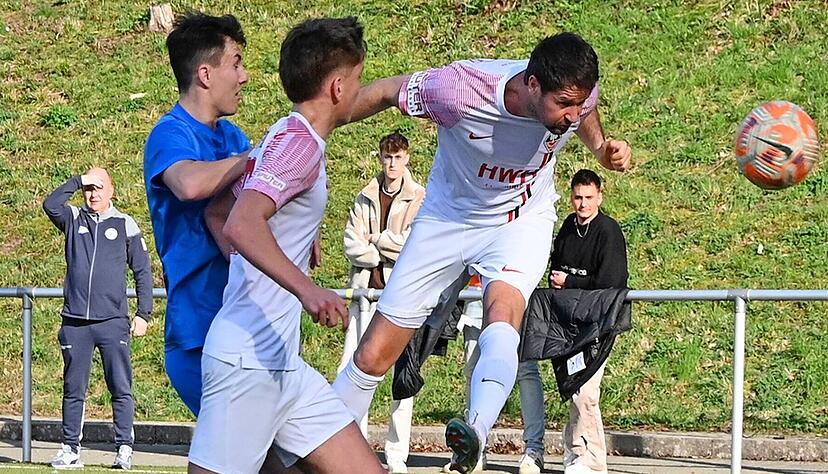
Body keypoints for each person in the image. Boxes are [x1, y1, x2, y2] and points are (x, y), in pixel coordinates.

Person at [330, 32, 632, 473]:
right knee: (374, 353)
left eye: (579, 105)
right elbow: (385, 92)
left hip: (520, 219)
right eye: (563, 104)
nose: (572, 116)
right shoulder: (458, 90)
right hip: (446, 220)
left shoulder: (577, 99)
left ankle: (476, 430)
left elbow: (586, 112)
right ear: (532, 84)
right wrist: (317, 123)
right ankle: (318, 448)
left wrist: (601, 147)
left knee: (503, 313)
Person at [188, 17, 385, 474]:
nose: (359, 92)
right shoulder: (297, 145)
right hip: (246, 365)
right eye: (357, 82)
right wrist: (306, 288)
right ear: (338, 87)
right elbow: (240, 224)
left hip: (282, 366)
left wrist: (279, 249)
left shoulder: (283, 137)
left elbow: (218, 213)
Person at [143, 11, 251, 415]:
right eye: (236, 63)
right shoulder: (170, 133)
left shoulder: (233, 137)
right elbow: (188, 185)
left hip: (244, 326)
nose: (244, 77)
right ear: (205, 74)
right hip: (198, 335)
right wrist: (252, 161)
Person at [43, 168, 153, 470]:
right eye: (89, 189)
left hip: (112, 322)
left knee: (120, 386)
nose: (93, 194)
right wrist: (78, 180)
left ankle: (124, 449)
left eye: (99, 187)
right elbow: (50, 205)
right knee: (73, 389)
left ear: (111, 191)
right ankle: (70, 449)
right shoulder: (73, 219)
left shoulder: (125, 223)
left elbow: (142, 271)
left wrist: (144, 313)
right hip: (75, 322)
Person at [339, 132, 425, 473]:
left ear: (407, 159)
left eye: (398, 158)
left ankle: (396, 455)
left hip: (401, 296)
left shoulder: (419, 197)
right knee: (351, 368)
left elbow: (414, 244)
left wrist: (379, 240)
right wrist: (382, 246)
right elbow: (351, 243)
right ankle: (353, 445)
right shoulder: (365, 196)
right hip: (364, 293)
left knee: (401, 376)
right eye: (387, 158)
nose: (392, 164)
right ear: (380, 159)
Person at [547, 168, 628, 474]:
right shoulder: (568, 226)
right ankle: (574, 452)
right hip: (570, 321)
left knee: (587, 391)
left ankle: (593, 462)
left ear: (600, 197)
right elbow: (556, 267)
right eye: (578, 197)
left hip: (600, 322)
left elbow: (610, 281)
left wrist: (569, 282)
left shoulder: (608, 231)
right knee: (572, 387)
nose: (582, 204)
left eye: (589, 198)